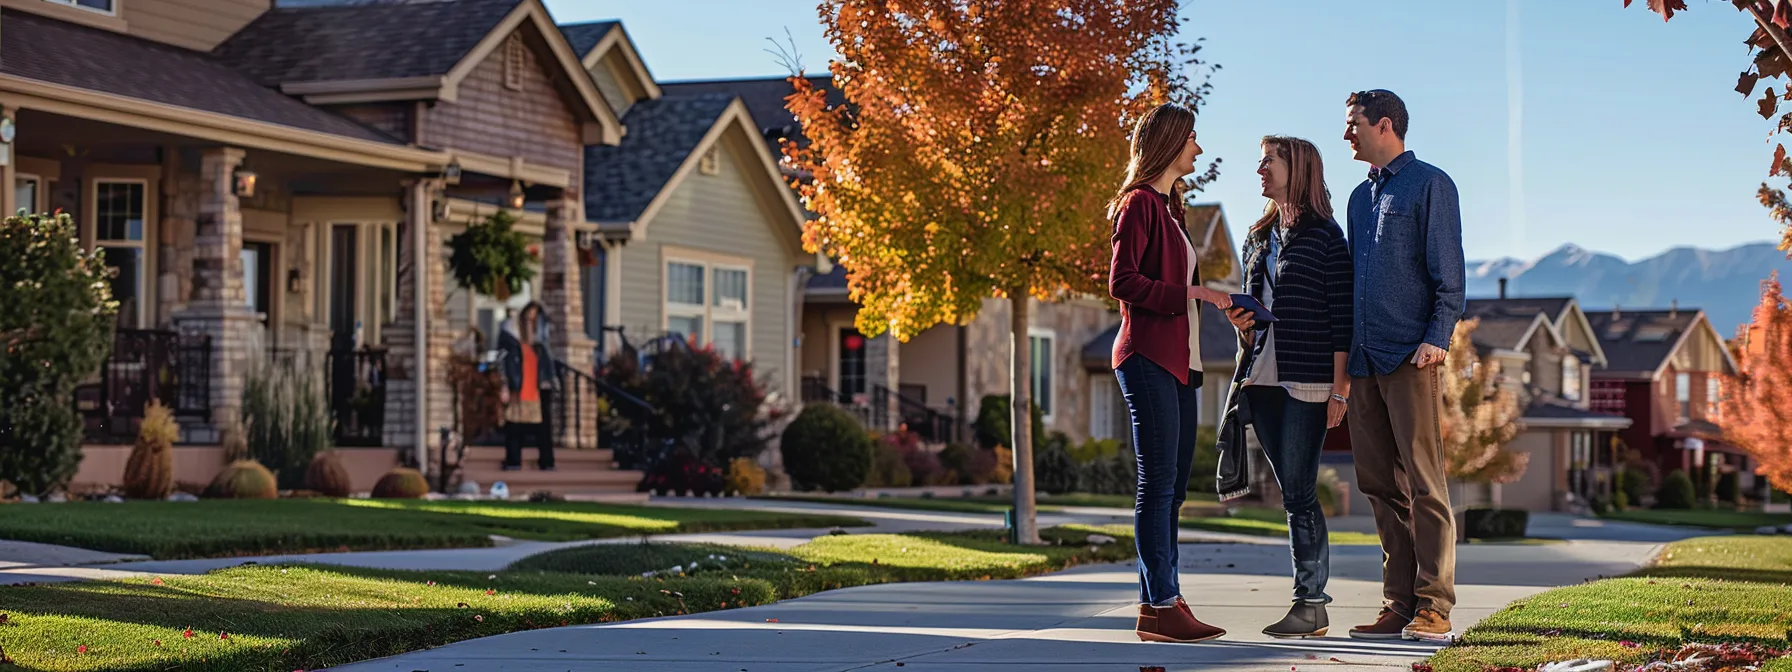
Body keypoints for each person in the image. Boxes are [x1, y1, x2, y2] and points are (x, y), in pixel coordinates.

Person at [1340, 89, 1466, 643]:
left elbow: (1450, 274)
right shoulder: (1357, 199)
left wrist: (1437, 337)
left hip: (1412, 357)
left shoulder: (1431, 184)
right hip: (1365, 359)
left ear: (1384, 125)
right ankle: (1399, 601)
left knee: (1424, 483)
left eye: (1353, 124)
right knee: (1376, 483)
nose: (1347, 134)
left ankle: (1434, 605)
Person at [1107, 102, 1235, 644]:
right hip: (1147, 357)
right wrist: (1194, 292)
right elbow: (1123, 282)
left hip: (1181, 364)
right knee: (1157, 486)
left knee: (1173, 489)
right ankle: (1165, 601)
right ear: (1169, 142)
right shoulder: (1138, 204)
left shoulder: (1171, 209)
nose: (1198, 149)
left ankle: (1154, 608)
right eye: (1192, 139)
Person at [1222, 135, 1353, 639]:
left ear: (1296, 168)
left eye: (1268, 161)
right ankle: (1310, 602)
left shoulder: (1326, 237)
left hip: (1310, 381)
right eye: (1259, 161)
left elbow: (1342, 321)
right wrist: (1241, 320)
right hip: (1261, 377)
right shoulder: (1258, 236)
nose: (1260, 170)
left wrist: (1341, 390)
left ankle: (1310, 602)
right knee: (1290, 492)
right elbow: (1252, 314)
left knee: (1299, 492)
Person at [498, 301, 559, 472]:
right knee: (514, 426)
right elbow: (502, 361)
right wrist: (504, 384)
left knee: (543, 429)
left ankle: (547, 462)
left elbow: (547, 363)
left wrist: (551, 379)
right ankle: (513, 461)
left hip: (538, 387)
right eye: (528, 317)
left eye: (534, 318)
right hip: (517, 386)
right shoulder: (510, 337)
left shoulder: (540, 342)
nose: (531, 321)